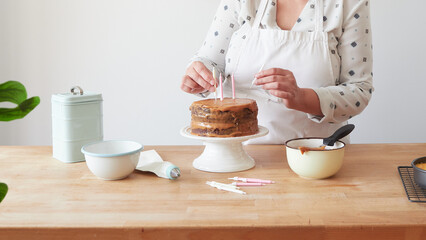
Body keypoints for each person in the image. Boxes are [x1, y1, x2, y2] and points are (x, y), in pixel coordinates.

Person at [180, 0, 373, 144]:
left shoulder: (347, 4)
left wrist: (302, 97)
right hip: (234, 154)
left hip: (317, 157)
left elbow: (359, 90)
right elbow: (210, 61)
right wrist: (199, 73)